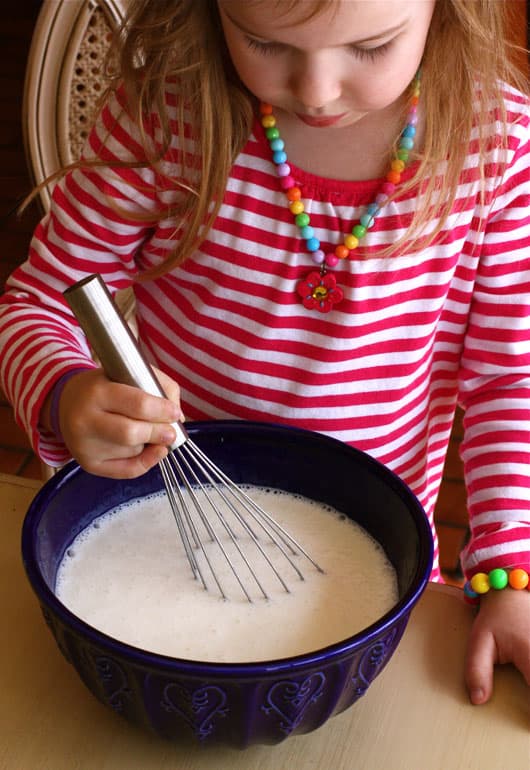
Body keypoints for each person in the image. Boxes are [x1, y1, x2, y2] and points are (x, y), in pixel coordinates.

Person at [1, 0, 529, 705]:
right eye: (263, 41)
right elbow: (37, 301)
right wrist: (66, 392)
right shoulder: (167, 115)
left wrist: (508, 572)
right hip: (166, 536)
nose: (315, 89)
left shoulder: (496, 145)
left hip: (378, 560)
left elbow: (507, 378)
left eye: (372, 46)